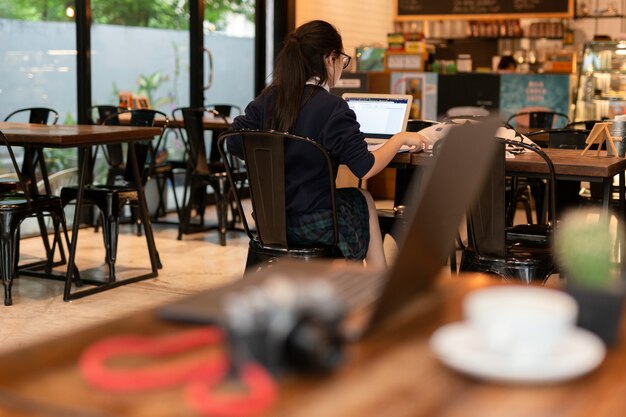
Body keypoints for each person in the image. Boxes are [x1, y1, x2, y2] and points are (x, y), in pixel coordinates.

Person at [227, 20, 424, 270]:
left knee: (358, 196)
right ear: (330, 58)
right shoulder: (332, 107)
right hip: (313, 225)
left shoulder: (270, 97)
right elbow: (365, 168)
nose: (342, 66)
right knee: (362, 197)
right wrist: (400, 138)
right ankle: (376, 284)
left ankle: (365, 281)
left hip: (269, 222)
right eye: (343, 59)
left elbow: (233, 143)